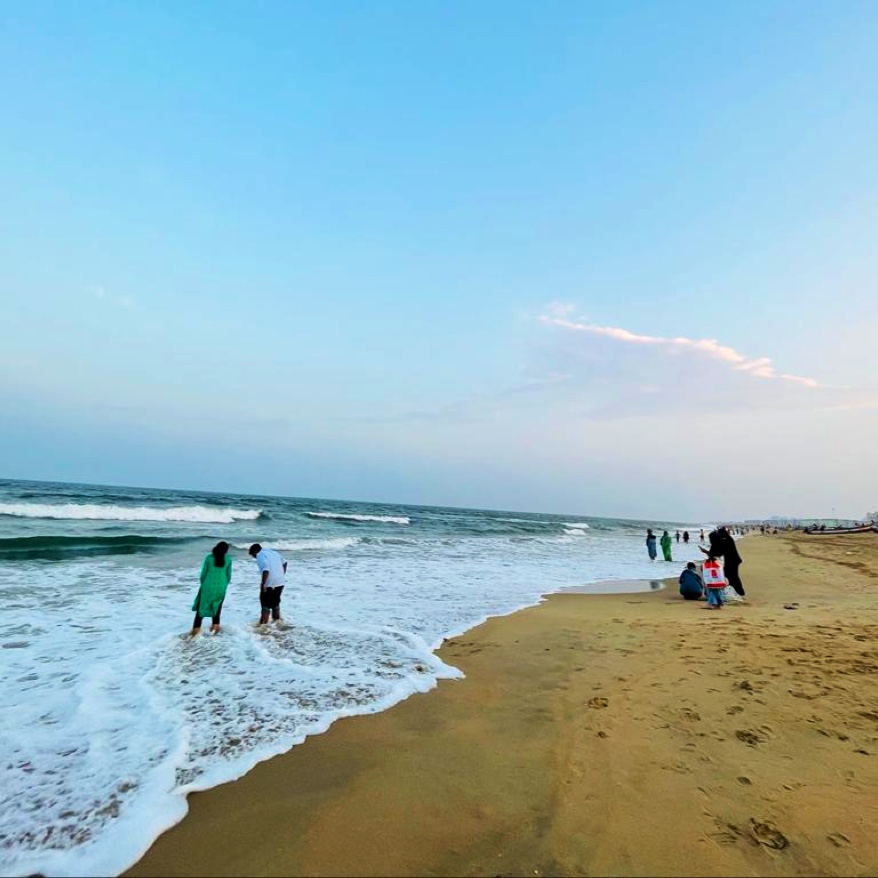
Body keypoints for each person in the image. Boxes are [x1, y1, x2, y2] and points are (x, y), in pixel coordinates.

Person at [191, 541, 232, 635]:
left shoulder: (209, 558)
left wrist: (204, 583)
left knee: (201, 609)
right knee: (217, 607)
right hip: (221, 587)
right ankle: (215, 630)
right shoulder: (228, 559)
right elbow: (229, 575)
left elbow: (203, 574)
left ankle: (195, 633)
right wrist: (224, 584)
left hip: (207, 586)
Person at [249, 543, 288, 624]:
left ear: (255, 551)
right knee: (275, 603)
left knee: (265, 605)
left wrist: (263, 584)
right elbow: (285, 562)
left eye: (253, 555)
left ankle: (263, 626)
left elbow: (266, 569)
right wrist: (281, 574)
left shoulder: (260, 555)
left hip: (269, 583)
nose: (254, 557)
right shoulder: (273, 552)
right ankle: (277, 623)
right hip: (280, 581)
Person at [715, 526, 745, 597]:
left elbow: (720, 552)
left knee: (732, 576)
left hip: (733, 561)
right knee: (730, 576)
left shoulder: (727, 540)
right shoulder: (728, 539)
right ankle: (736, 591)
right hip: (732, 561)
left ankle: (740, 592)